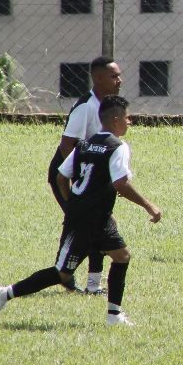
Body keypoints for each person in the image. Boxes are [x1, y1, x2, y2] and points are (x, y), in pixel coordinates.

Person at [0, 96, 162, 327]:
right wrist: (149, 205)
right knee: (62, 274)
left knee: (122, 256)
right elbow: (121, 183)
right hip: (86, 221)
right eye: (127, 117)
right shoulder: (118, 147)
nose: (129, 122)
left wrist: (73, 202)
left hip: (96, 218)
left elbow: (62, 177)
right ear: (114, 119)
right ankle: (3, 294)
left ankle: (114, 315)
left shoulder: (84, 144)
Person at [47, 55, 123, 294]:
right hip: (68, 176)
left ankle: (90, 283)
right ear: (98, 78)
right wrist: (80, 178)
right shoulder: (85, 107)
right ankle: (65, 275)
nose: (119, 80)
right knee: (85, 225)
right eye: (114, 76)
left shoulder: (108, 106)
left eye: (119, 75)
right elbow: (67, 145)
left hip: (91, 177)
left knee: (94, 224)